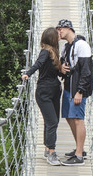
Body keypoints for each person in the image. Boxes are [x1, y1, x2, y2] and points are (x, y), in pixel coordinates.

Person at [22, 26, 65, 165]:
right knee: (52, 121)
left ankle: (47, 149)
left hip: (55, 90)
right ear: (52, 38)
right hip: (44, 92)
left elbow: (53, 72)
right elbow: (38, 64)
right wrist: (28, 73)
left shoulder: (54, 53)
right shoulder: (45, 52)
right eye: (57, 34)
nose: (59, 35)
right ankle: (52, 152)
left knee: (52, 121)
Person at [56, 18, 93, 166]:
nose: (59, 31)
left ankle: (79, 156)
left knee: (78, 118)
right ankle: (79, 149)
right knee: (69, 117)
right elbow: (62, 66)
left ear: (69, 29)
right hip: (68, 87)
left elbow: (86, 72)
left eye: (61, 29)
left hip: (77, 89)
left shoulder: (82, 45)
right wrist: (60, 68)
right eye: (58, 29)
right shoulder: (66, 47)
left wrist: (80, 92)